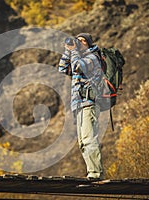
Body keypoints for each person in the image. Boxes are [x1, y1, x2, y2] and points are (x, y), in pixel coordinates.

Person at [58, 33, 104, 180]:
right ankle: (92, 172)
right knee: (83, 142)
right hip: (79, 104)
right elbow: (62, 68)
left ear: (89, 44)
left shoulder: (92, 58)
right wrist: (68, 51)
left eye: (83, 41)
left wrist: (75, 51)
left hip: (89, 103)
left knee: (89, 138)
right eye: (78, 41)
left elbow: (77, 67)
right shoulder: (77, 56)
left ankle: (95, 173)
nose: (80, 43)